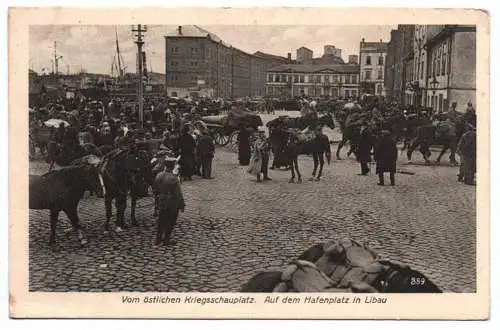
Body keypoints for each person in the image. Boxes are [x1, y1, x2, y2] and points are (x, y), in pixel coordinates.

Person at [153, 160, 185, 246]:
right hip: (172, 202)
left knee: (161, 220)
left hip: (162, 200)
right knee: (171, 221)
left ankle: (158, 239)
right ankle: (167, 239)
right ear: (172, 166)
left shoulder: (159, 175)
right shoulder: (174, 178)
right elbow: (178, 193)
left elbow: (155, 189)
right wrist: (182, 204)